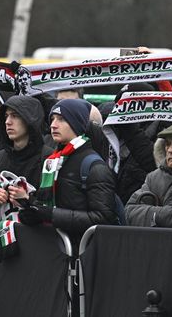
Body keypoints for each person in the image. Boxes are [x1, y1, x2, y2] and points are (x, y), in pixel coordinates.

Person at [19, 98, 118, 240]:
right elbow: (51, 204)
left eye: (61, 119)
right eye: (52, 119)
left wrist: (51, 215)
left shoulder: (94, 166)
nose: (53, 125)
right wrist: (32, 208)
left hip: (82, 253)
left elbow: (103, 218)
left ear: (77, 124)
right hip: (54, 251)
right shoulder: (52, 161)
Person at [0, 95, 53, 221]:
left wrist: (28, 200)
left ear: (29, 120)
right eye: (6, 117)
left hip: (39, 238)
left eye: (15, 116)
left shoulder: (49, 159)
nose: (8, 122)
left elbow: (54, 210)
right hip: (2, 237)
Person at [125, 121, 172, 228]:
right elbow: (130, 211)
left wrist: (152, 214)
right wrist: (160, 215)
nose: (170, 150)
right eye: (167, 144)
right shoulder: (154, 177)